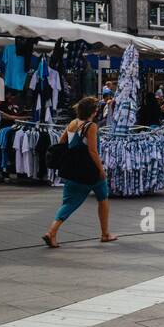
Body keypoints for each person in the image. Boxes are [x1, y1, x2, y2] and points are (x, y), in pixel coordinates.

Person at [43, 97, 116, 247]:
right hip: (89, 170)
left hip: (72, 170)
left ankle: (52, 232)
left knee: (69, 203)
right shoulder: (91, 126)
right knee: (103, 199)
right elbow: (93, 151)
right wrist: (101, 170)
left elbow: (62, 143)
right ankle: (105, 234)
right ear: (93, 112)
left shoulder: (72, 123)